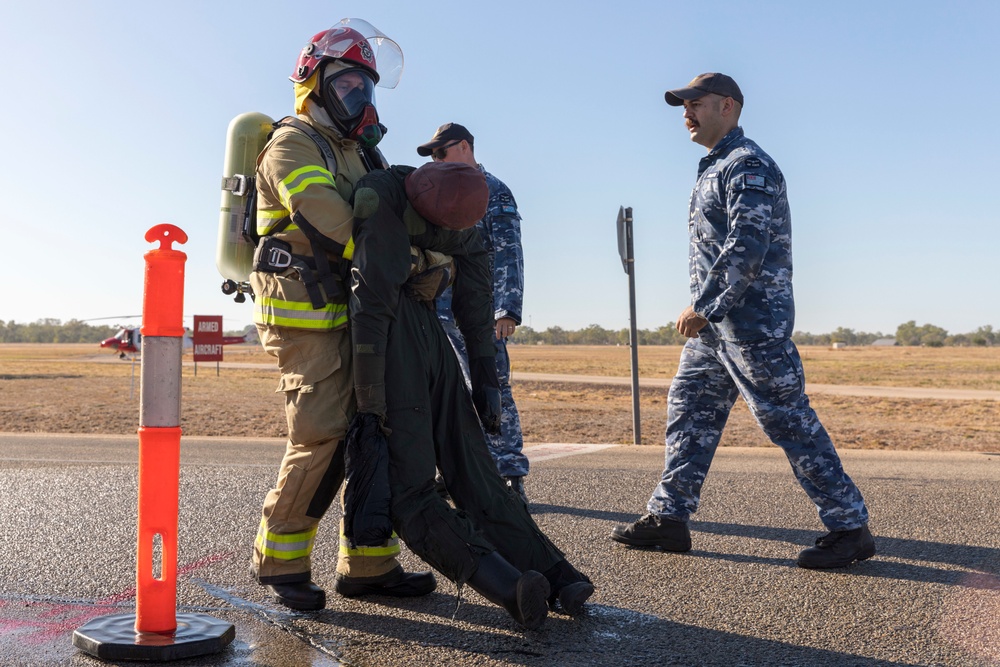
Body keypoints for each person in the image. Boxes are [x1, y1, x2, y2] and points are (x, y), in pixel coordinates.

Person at [610, 73, 876, 569]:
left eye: (695, 104)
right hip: (714, 334)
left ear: (727, 106)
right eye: (682, 106)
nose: (685, 113)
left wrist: (704, 305)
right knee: (688, 412)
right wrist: (708, 317)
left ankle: (849, 527)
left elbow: (745, 248)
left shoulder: (747, 165)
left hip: (753, 327)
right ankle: (669, 518)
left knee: (789, 423)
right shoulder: (713, 166)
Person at [347, 161, 594, 629]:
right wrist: (373, 407)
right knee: (474, 475)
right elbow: (379, 304)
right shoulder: (383, 197)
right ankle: (559, 576)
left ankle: (512, 587)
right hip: (414, 336)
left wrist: (485, 384)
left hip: (405, 339)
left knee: (413, 492)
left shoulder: (457, 216)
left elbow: (462, 301)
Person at [248, 19, 435, 612]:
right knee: (323, 433)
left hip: (355, 312)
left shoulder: (360, 151)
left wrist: (431, 255)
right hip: (306, 317)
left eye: (366, 86)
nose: (360, 96)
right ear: (314, 80)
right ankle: (279, 559)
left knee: (374, 433)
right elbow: (332, 220)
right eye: (349, 82)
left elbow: (394, 219)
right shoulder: (292, 144)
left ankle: (370, 563)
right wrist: (408, 262)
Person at [416, 123, 530, 503]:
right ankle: (457, 473)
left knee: (493, 389)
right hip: (439, 309)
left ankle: (509, 475)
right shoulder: (438, 191)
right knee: (448, 391)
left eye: (440, 152)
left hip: (480, 313)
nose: (436, 161)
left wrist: (507, 309)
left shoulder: (493, 191)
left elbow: (509, 251)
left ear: (463, 147)